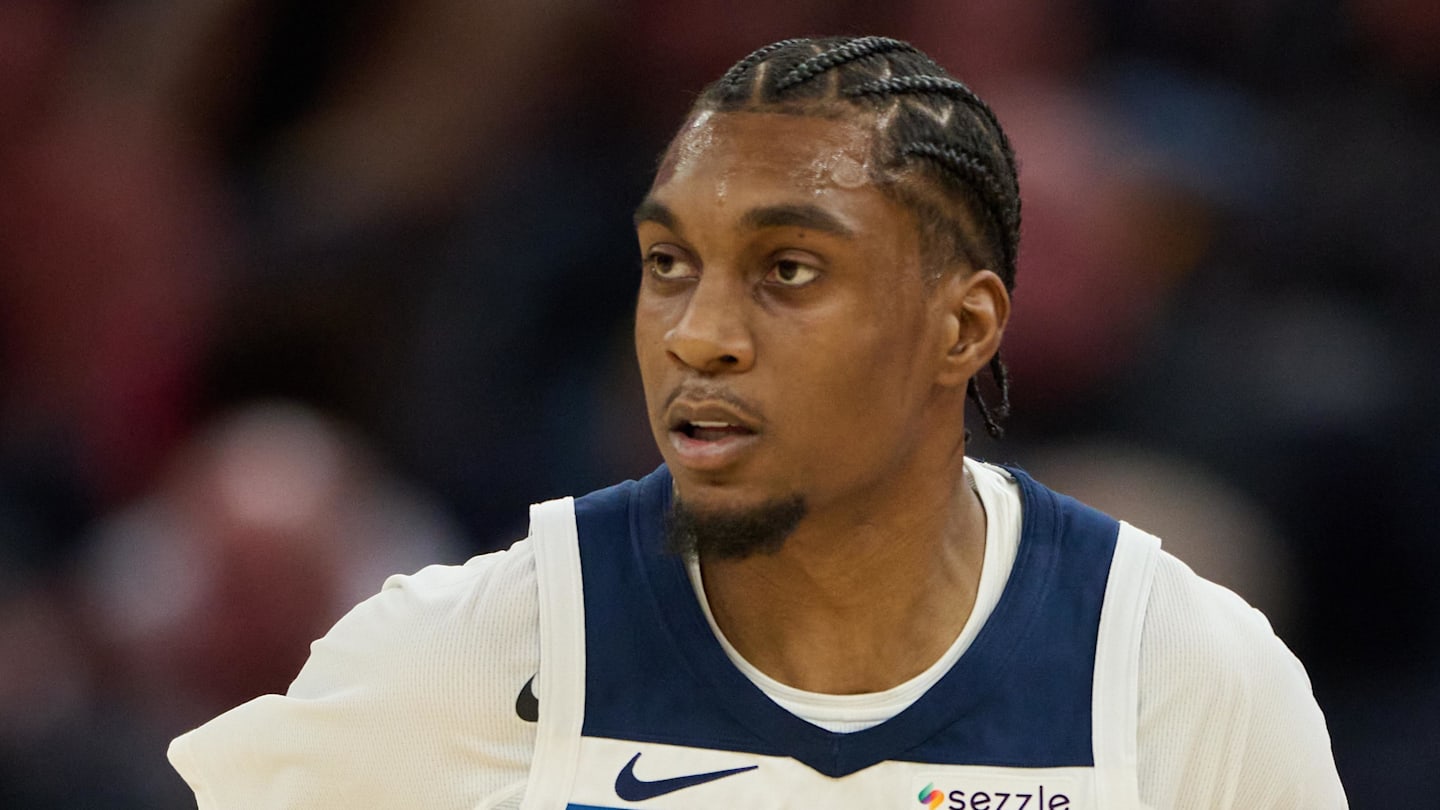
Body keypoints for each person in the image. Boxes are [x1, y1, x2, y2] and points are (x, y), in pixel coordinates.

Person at [167, 36, 1348, 809]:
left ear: (963, 327)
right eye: (671, 263)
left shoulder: (1183, 676)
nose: (699, 333)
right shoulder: (469, 649)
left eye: (787, 270)